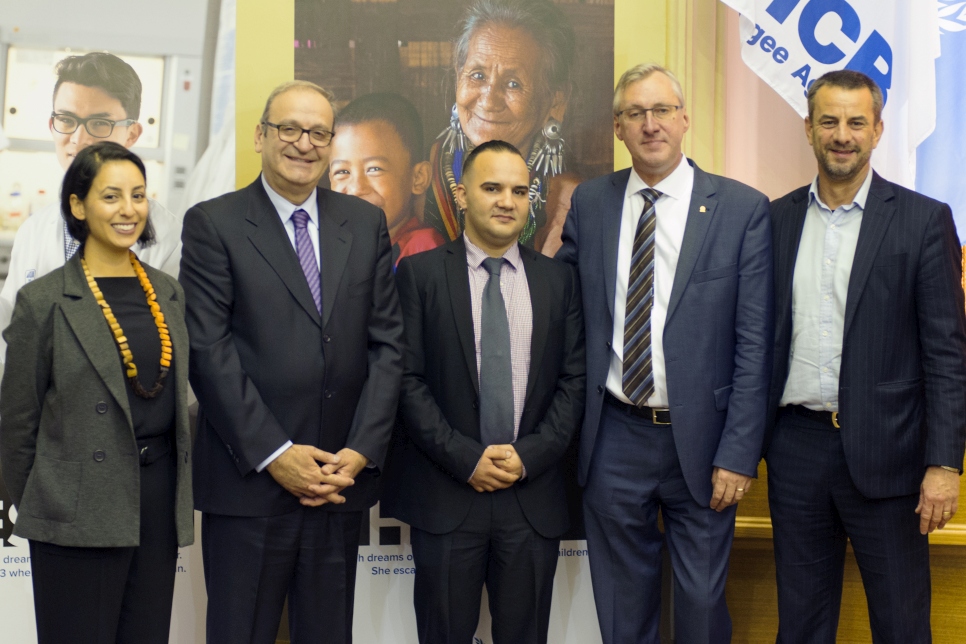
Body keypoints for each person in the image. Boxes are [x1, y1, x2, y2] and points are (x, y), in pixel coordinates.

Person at [180, 80, 404, 644]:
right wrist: (276, 455)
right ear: (261, 135)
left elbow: (388, 345)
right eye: (290, 129)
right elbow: (208, 352)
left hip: (337, 481)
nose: (304, 143)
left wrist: (360, 451)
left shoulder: (364, 223)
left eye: (319, 132)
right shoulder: (214, 224)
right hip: (249, 485)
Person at [556, 63, 774, 643]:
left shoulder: (740, 209)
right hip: (614, 437)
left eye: (661, 111)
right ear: (618, 128)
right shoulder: (591, 204)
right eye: (635, 114)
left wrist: (739, 452)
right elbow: (567, 314)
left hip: (703, 443)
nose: (650, 124)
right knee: (622, 608)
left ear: (684, 119)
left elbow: (756, 342)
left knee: (701, 605)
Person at [766, 69, 966, 643]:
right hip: (795, 451)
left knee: (901, 624)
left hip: (894, 459)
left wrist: (944, 465)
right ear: (808, 129)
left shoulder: (924, 221)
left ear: (878, 130)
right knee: (800, 625)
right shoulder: (775, 221)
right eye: (829, 121)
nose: (842, 134)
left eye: (857, 122)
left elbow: (947, 356)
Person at [382, 140, 584, 643]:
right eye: (492, 187)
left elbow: (574, 381)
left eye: (519, 190)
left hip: (530, 495)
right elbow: (406, 379)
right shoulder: (421, 275)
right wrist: (466, 458)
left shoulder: (559, 282)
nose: (506, 201)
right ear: (461, 193)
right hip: (448, 493)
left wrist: (528, 456)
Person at [0, 141, 193, 644]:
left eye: (138, 195)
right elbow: (16, 423)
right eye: (111, 196)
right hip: (74, 511)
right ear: (78, 205)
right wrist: (50, 505)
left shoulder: (167, 293)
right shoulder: (43, 301)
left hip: (156, 503)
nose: (128, 209)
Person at [0, 52, 182, 364]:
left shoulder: (167, 237)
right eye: (67, 120)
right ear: (52, 125)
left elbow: (170, 354)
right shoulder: (35, 229)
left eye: (99, 123)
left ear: (132, 134)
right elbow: (11, 329)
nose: (78, 138)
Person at [425, 0, 579, 255]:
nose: (488, 99)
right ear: (457, 76)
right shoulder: (421, 178)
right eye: (477, 75)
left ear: (555, 100)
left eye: (513, 84)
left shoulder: (566, 201)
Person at [329, 92, 444, 268]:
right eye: (342, 171)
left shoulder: (423, 249)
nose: (356, 188)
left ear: (418, 178)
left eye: (374, 169)